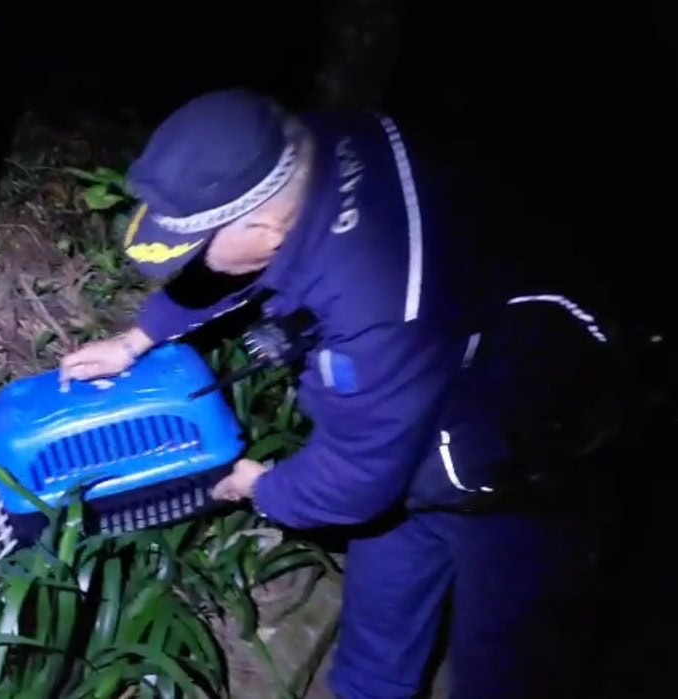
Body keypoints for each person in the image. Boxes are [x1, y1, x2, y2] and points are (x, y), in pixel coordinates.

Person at [59, 89, 597, 699]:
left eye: (200, 246)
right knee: (377, 639)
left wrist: (263, 488)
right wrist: (137, 340)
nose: (196, 262)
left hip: (517, 452)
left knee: (506, 667)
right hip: (423, 403)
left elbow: (360, 477)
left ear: (265, 227)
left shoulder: (379, 301)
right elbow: (233, 270)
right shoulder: (305, 150)